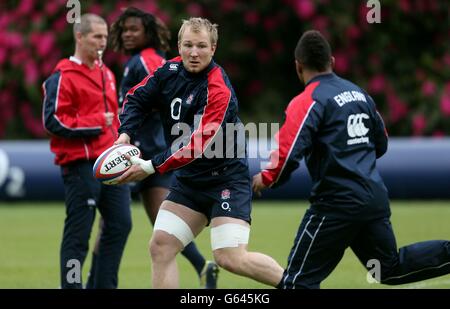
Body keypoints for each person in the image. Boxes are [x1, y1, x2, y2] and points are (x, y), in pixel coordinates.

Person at [252, 30, 450, 289]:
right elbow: (381, 142)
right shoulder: (359, 94)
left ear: (298, 67)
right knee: (388, 268)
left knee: (297, 283)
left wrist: (266, 178)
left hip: (335, 205)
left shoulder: (307, 100)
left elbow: (289, 151)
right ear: (331, 62)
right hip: (372, 198)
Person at [115, 17, 284, 288]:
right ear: (179, 46)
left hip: (226, 180)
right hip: (190, 181)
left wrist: (149, 166)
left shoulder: (218, 89)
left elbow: (196, 145)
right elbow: (136, 98)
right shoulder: (168, 71)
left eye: (202, 46)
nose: (194, 53)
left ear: (213, 48)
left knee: (230, 257)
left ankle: (297, 284)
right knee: (161, 246)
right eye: (188, 45)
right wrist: (125, 134)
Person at [88, 7, 218, 289]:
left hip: (146, 156)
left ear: (149, 32)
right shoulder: (135, 61)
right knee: (131, 225)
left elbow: (163, 98)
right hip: (137, 153)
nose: (128, 34)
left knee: (142, 226)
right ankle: (203, 266)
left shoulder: (149, 62)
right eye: (124, 30)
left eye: (135, 29)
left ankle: (202, 266)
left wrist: (131, 136)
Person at [42, 13, 132, 288]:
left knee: (120, 224)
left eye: (105, 37)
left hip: (111, 163)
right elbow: (53, 120)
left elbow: (113, 117)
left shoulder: (105, 72)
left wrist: (123, 140)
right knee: (79, 234)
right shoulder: (62, 77)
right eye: (97, 36)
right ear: (79, 37)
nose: (103, 42)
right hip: (81, 166)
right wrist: (95, 123)